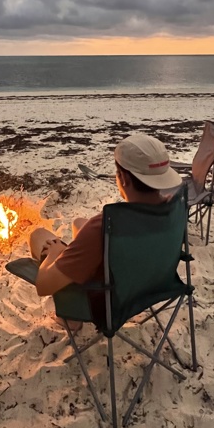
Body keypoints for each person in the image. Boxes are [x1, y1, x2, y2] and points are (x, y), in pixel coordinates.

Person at [29, 134, 183, 319]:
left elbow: (43, 285)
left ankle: (70, 318)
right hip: (149, 286)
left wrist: (55, 253)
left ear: (124, 178)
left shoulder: (103, 226)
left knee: (39, 236)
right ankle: (74, 257)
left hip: (107, 300)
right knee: (78, 222)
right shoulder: (174, 210)